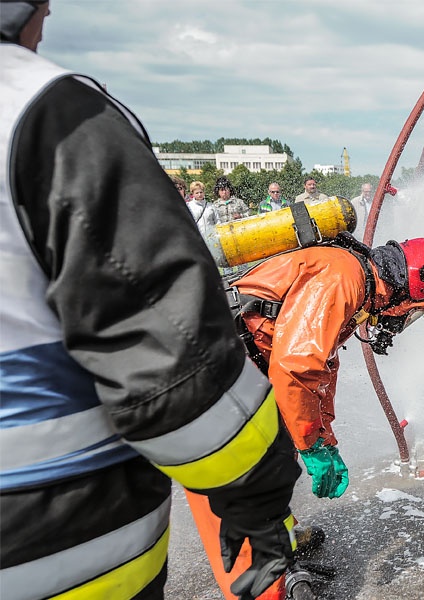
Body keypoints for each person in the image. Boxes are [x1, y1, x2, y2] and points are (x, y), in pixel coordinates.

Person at [0, 4, 304, 599]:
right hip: (51, 541)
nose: (49, 14)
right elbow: (171, 360)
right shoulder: (43, 113)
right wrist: (258, 495)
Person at [230, 234, 424, 499]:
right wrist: (311, 445)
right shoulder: (344, 278)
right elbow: (296, 369)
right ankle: (259, 539)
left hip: (246, 354)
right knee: (251, 461)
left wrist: (325, 440)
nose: (404, 319)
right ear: (413, 289)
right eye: (417, 311)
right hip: (223, 350)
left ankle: (279, 530)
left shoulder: (358, 285)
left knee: (278, 447)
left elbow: (322, 368)